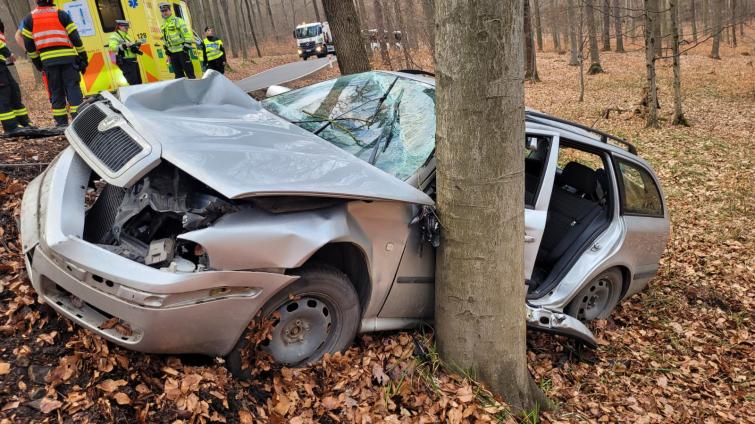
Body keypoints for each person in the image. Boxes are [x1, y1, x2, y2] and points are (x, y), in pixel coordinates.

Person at [21, 0, 87, 128]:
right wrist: (83, 56)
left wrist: (38, 63)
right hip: (68, 59)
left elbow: (29, 45)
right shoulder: (61, 14)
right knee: (73, 88)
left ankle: (62, 124)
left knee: (56, 91)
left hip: (48, 61)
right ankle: (80, 123)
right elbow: (75, 38)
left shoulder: (29, 19)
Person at [0, 19, 32, 135]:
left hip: (2, 66)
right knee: (3, 96)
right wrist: (8, 53)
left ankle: (24, 123)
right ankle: (11, 127)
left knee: (14, 91)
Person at [158, 3, 195, 79]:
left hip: (182, 51)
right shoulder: (163, 24)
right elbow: (166, 39)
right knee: (178, 76)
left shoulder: (178, 21)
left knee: (189, 73)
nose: (164, 12)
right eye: (162, 11)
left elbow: (187, 36)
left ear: (170, 10)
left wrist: (185, 49)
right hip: (172, 54)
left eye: (166, 10)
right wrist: (167, 51)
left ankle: (195, 90)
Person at [108, 19, 143, 86]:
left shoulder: (126, 36)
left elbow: (129, 48)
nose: (127, 29)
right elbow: (112, 48)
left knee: (138, 82)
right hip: (126, 62)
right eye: (125, 27)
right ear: (120, 26)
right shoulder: (114, 36)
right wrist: (125, 45)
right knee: (134, 83)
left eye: (127, 27)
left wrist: (136, 46)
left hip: (133, 61)